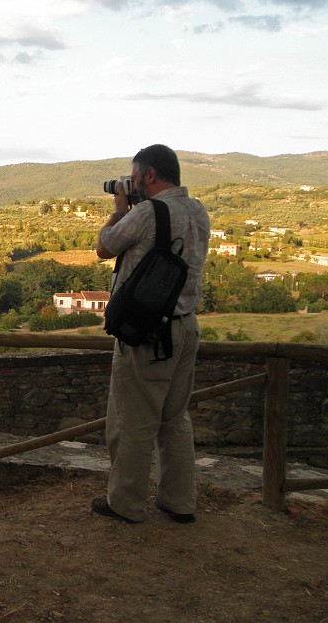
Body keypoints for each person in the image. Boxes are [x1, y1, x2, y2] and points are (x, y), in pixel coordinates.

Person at [91, 144, 210, 524]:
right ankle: (179, 502)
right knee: (175, 419)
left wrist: (118, 211)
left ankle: (125, 503)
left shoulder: (146, 212)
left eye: (135, 175)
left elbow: (103, 248)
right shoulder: (198, 212)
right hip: (187, 328)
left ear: (151, 175)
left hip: (147, 336)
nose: (133, 181)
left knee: (132, 422)